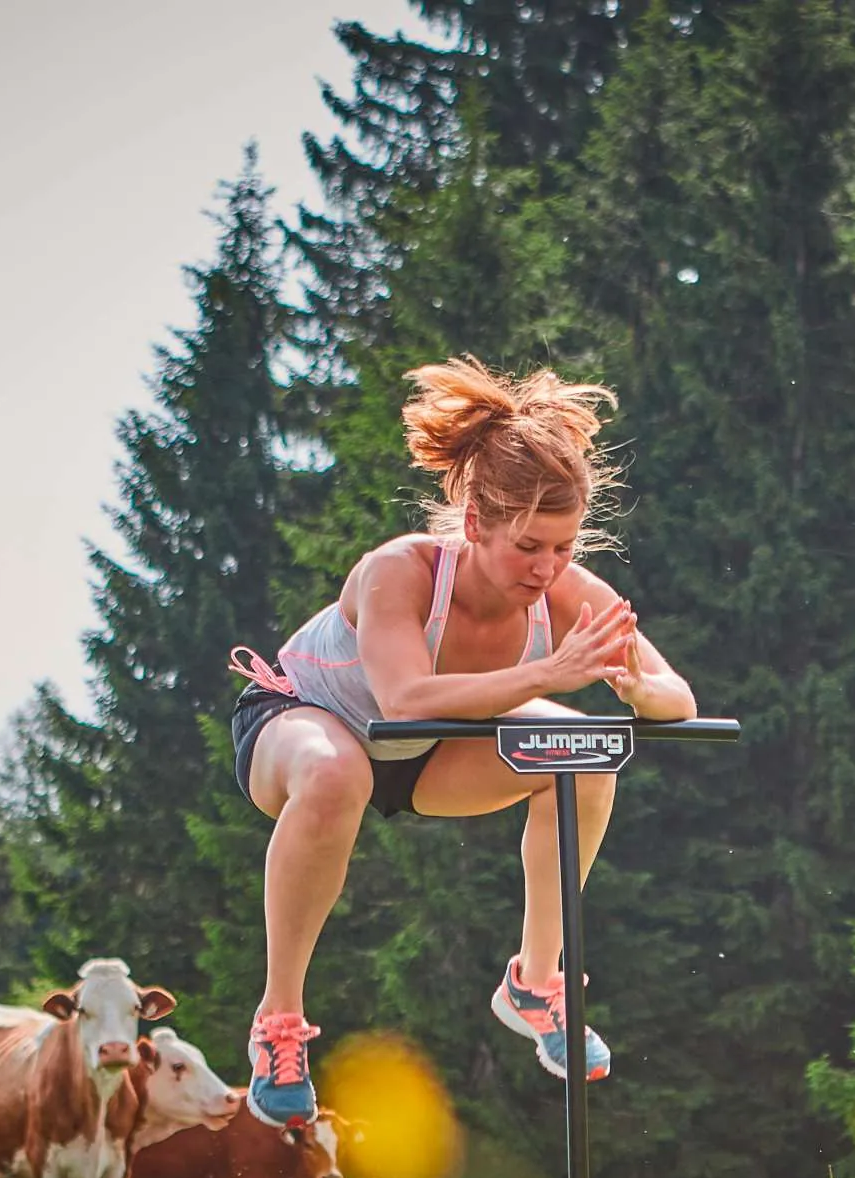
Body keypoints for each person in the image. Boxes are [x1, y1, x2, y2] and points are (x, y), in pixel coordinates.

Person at [227, 357, 695, 1123]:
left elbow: (678, 696)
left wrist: (639, 688)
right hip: (305, 722)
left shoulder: (567, 591)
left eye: (564, 548)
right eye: (528, 547)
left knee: (586, 752)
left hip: (427, 755)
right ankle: (278, 1019)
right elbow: (405, 701)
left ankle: (535, 983)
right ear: (476, 525)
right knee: (337, 773)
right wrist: (550, 671)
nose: (546, 569)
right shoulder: (400, 572)